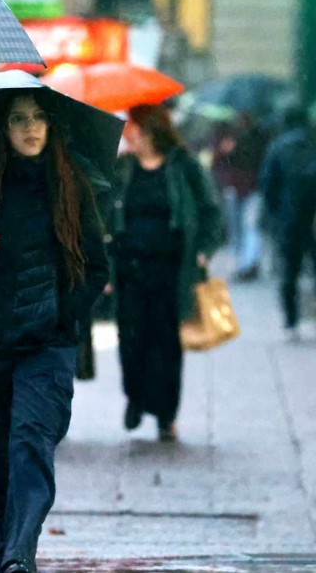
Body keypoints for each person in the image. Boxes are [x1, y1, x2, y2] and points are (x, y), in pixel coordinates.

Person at [0, 93, 108, 573]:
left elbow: (97, 269)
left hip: (46, 345)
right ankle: (10, 547)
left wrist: (65, 317)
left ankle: (20, 554)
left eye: (39, 118)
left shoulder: (72, 187)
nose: (30, 128)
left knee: (32, 444)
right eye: (18, 119)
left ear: (52, 126)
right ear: (3, 129)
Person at [109, 104, 224, 442]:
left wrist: (204, 251)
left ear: (152, 132)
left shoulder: (184, 166)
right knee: (130, 340)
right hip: (130, 269)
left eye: (136, 131)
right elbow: (106, 211)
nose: (131, 136)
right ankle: (135, 396)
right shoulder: (124, 168)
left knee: (165, 344)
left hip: (172, 271)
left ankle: (165, 415)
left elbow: (211, 211)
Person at [259, 105, 316, 342]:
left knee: (289, 271)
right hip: (313, 217)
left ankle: (291, 322)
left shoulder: (278, 147)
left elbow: (267, 183)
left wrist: (275, 214)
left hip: (288, 218)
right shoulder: (313, 144)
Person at [210, 113, 269, 281]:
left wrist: (223, 152)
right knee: (248, 227)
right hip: (250, 188)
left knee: (244, 227)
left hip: (239, 188)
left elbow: (220, 163)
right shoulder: (261, 140)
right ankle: (248, 262)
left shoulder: (234, 140)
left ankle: (245, 263)